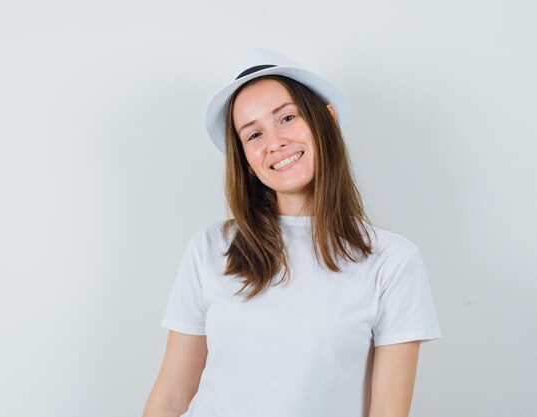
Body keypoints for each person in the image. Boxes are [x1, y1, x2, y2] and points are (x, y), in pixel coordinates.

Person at [142, 49, 441, 417]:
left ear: (326, 120)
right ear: (246, 161)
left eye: (286, 117)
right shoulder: (210, 249)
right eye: (253, 135)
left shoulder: (392, 261)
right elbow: (172, 397)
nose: (274, 142)